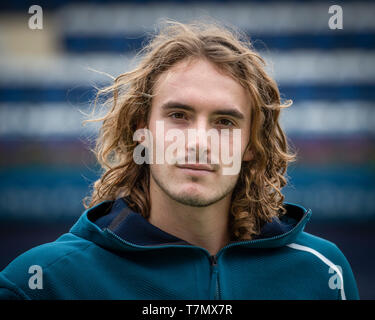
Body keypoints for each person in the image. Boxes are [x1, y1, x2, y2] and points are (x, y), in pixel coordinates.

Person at [0, 19, 359, 300]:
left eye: (224, 122)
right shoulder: (43, 282)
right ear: (142, 130)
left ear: (251, 144)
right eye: (178, 116)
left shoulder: (324, 274)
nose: (199, 142)